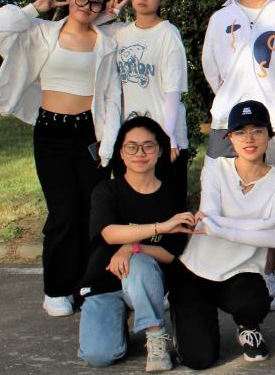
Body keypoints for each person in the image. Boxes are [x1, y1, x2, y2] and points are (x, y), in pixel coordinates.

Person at [0, 0, 121, 317]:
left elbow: (111, 97)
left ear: (102, 9)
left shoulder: (105, 42)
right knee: (63, 213)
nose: (86, 6)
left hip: (88, 134)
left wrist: (107, 145)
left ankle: (88, 284)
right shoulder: (40, 32)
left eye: (95, 3)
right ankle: (57, 289)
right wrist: (34, 8)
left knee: (92, 211)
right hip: (51, 132)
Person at [201, 0, 275, 310]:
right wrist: (234, 100)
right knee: (220, 195)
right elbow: (212, 68)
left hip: (274, 121)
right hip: (227, 121)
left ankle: (266, 275)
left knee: (273, 203)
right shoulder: (221, 18)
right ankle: (219, 272)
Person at [168, 100, 275, 369]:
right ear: (230, 138)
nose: (249, 139)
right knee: (199, 359)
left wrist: (222, 226)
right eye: (240, 132)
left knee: (254, 302)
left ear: (270, 135)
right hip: (196, 271)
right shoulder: (214, 168)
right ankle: (189, 323)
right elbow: (209, 219)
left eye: (257, 130)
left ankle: (247, 326)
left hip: (241, 273)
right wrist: (264, 223)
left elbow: (274, 239)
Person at [76, 117, 195, 371]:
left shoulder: (172, 195)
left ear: (160, 150)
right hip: (106, 283)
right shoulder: (106, 190)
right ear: (121, 152)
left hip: (151, 284)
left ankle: (156, 336)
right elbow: (109, 234)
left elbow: (171, 254)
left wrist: (132, 248)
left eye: (148, 146)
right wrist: (160, 227)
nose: (140, 153)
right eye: (131, 146)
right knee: (98, 356)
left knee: (139, 263)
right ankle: (118, 321)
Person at [98, 0, 190, 199]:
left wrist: (168, 136)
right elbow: (86, 27)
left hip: (161, 136)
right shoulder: (120, 32)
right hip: (129, 137)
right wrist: (109, 15)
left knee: (166, 203)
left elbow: (173, 91)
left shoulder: (168, 34)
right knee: (130, 203)